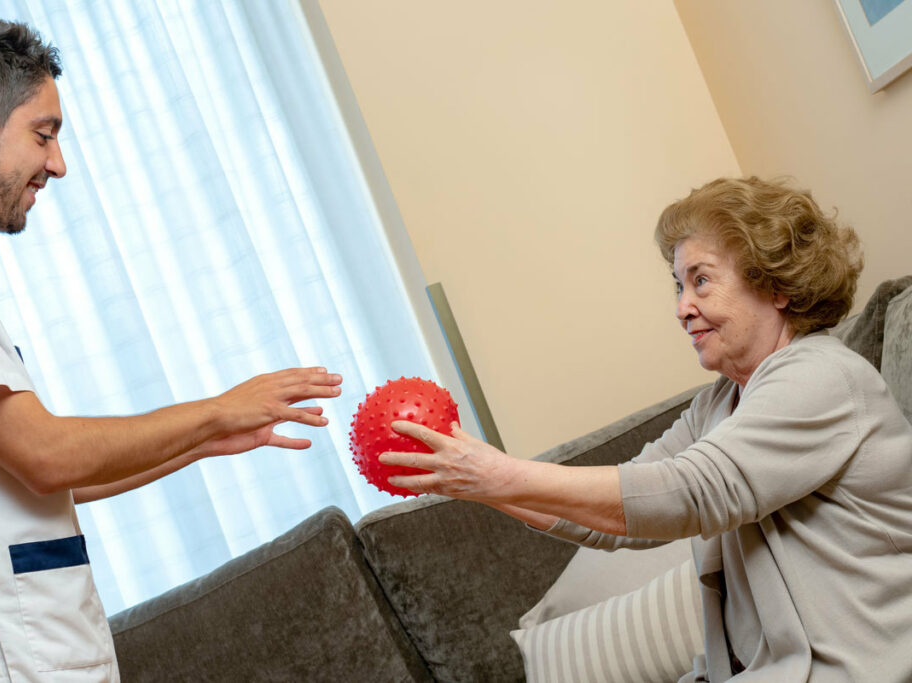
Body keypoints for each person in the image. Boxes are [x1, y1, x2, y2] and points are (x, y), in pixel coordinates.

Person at [0, 15, 342, 681]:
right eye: (44, 135)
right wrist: (216, 410)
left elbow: (33, 473)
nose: (58, 164)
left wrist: (202, 440)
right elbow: (44, 454)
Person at [381, 176, 912, 681]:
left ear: (774, 286)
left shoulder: (821, 377)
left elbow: (691, 492)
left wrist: (499, 474)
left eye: (701, 280)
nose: (683, 308)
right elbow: (618, 514)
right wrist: (475, 480)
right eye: (679, 286)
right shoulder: (720, 405)